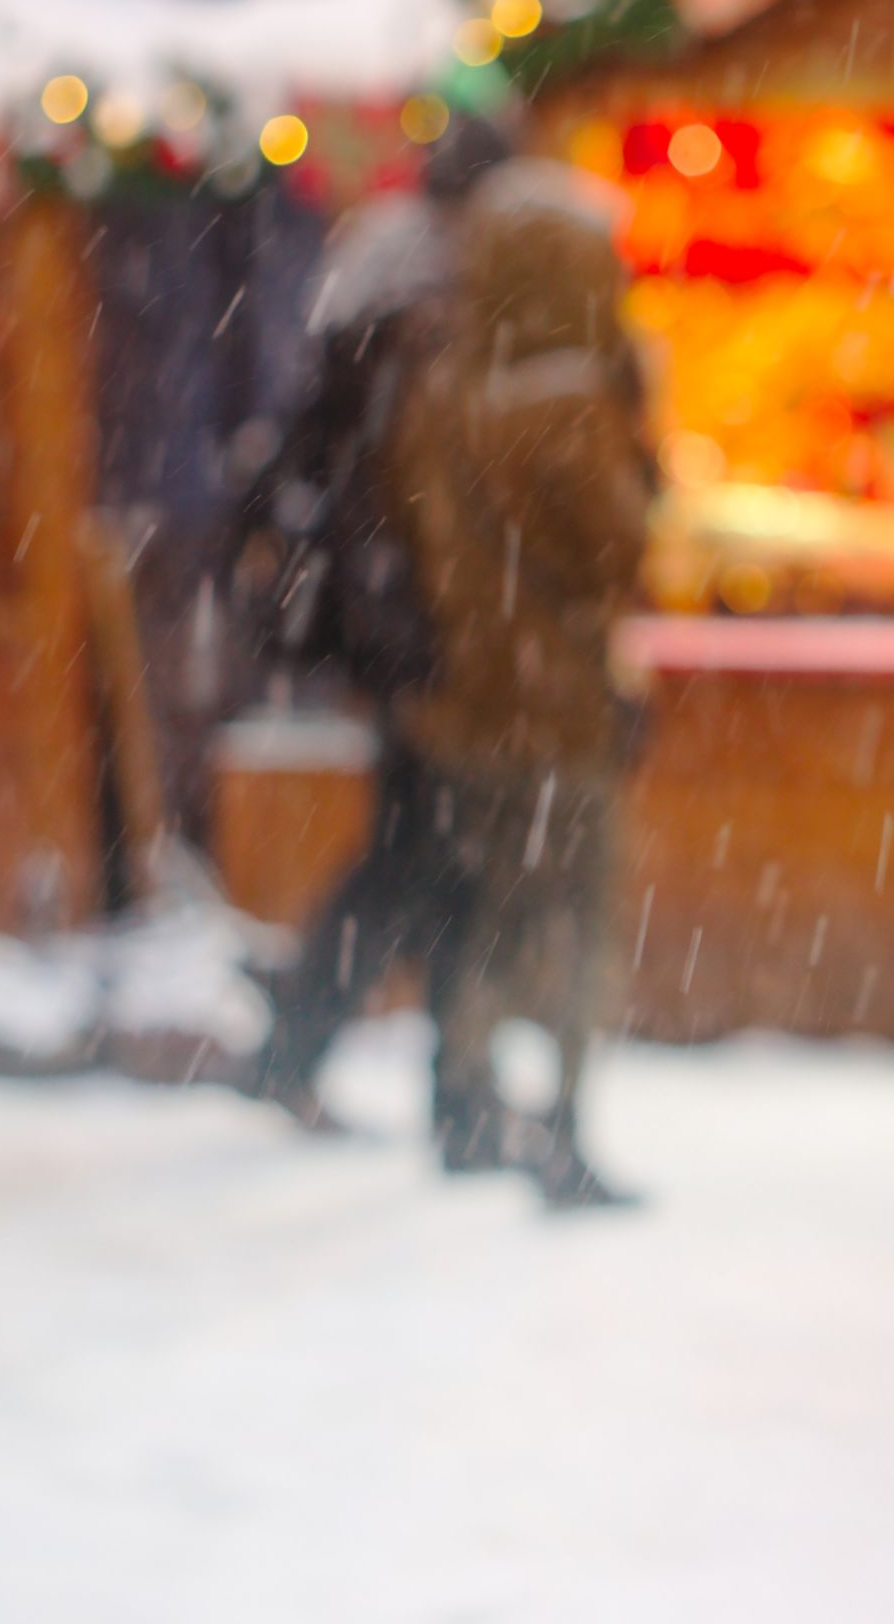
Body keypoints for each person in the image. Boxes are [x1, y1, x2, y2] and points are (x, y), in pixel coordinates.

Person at [238, 116, 651, 1203]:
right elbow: (598, 540)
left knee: (439, 872)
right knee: (451, 877)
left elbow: (369, 503)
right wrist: (416, 644)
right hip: (460, 666)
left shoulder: (408, 316)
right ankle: (402, 1077)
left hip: (435, 658)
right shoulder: (454, 335)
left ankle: (426, 1084)